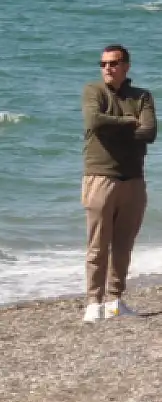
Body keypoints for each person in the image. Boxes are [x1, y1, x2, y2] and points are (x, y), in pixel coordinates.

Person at [82, 44, 155, 322]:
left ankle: (114, 300)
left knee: (124, 244)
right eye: (103, 64)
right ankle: (93, 302)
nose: (107, 69)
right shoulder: (94, 91)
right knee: (97, 243)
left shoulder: (142, 96)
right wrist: (128, 122)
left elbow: (149, 131)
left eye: (113, 63)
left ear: (126, 66)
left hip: (133, 179)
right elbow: (93, 120)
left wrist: (114, 129)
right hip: (100, 177)